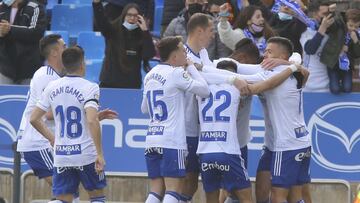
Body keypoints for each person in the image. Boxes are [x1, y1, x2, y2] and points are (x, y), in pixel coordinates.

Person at [17, 34, 117, 202]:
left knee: (67, 196)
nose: (65, 48)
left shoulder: (55, 82)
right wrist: (54, 139)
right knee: (91, 197)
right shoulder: (48, 76)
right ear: (55, 52)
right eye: (63, 45)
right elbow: (50, 115)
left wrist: (93, 116)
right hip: (41, 142)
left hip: (62, 150)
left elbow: (63, 114)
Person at [197, 57, 303, 203]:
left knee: (218, 196)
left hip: (205, 151)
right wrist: (292, 67)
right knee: (245, 197)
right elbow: (265, 84)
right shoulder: (238, 86)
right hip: (230, 150)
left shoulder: (202, 87)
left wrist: (194, 65)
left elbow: (202, 71)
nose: (266, 56)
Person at [141, 36, 210, 203]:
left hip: (152, 138)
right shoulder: (176, 73)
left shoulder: (150, 75)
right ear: (174, 57)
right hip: (171, 141)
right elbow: (204, 90)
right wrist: (192, 67)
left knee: (156, 190)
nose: (186, 54)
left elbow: (144, 109)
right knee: (174, 189)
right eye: (183, 51)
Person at [255, 37, 311, 203]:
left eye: (269, 51)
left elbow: (254, 87)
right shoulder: (294, 73)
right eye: (264, 50)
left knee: (282, 195)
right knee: (269, 193)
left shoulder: (278, 75)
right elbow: (304, 70)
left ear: (282, 56)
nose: (264, 54)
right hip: (281, 143)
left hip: (286, 144)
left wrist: (231, 80)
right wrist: (290, 65)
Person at [93, 0, 156, 88]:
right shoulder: (112, 31)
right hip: (109, 82)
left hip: (132, 84)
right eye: (129, 15)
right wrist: (97, 4)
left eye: (135, 16)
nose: (132, 18)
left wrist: (145, 31)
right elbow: (101, 21)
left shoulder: (142, 35)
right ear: (123, 16)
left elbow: (149, 54)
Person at [163, 0, 232, 60]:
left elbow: (223, 54)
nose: (195, 3)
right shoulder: (175, 24)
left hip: (208, 69)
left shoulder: (215, 25)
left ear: (205, 4)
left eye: (199, 0)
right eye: (192, 0)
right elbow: (166, 51)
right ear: (186, 3)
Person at [0, 0, 47, 84]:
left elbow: (36, 32)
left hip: (28, 69)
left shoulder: (35, 7)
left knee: (28, 96)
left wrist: (10, 29)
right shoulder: (1, 7)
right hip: (5, 68)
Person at [321, 8, 360, 94]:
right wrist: (330, 11)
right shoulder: (338, 26)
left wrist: (356, 41)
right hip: (333, 63)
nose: (353, 28)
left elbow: (357, 54)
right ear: (346, 22)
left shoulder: (356, 34)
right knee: (335, 89)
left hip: (347, 66)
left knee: (347, 88)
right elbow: (332, 22)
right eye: (351, 25)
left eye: (356, 27)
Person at [300, 0, 333, 92]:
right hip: (307, 86)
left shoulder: (333, 33)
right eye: (324, 14)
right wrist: (322, 28)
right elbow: (310, 49)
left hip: (326, 87)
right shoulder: (306, 31)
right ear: (315, 15)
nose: (327, 17)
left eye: (329, 14)